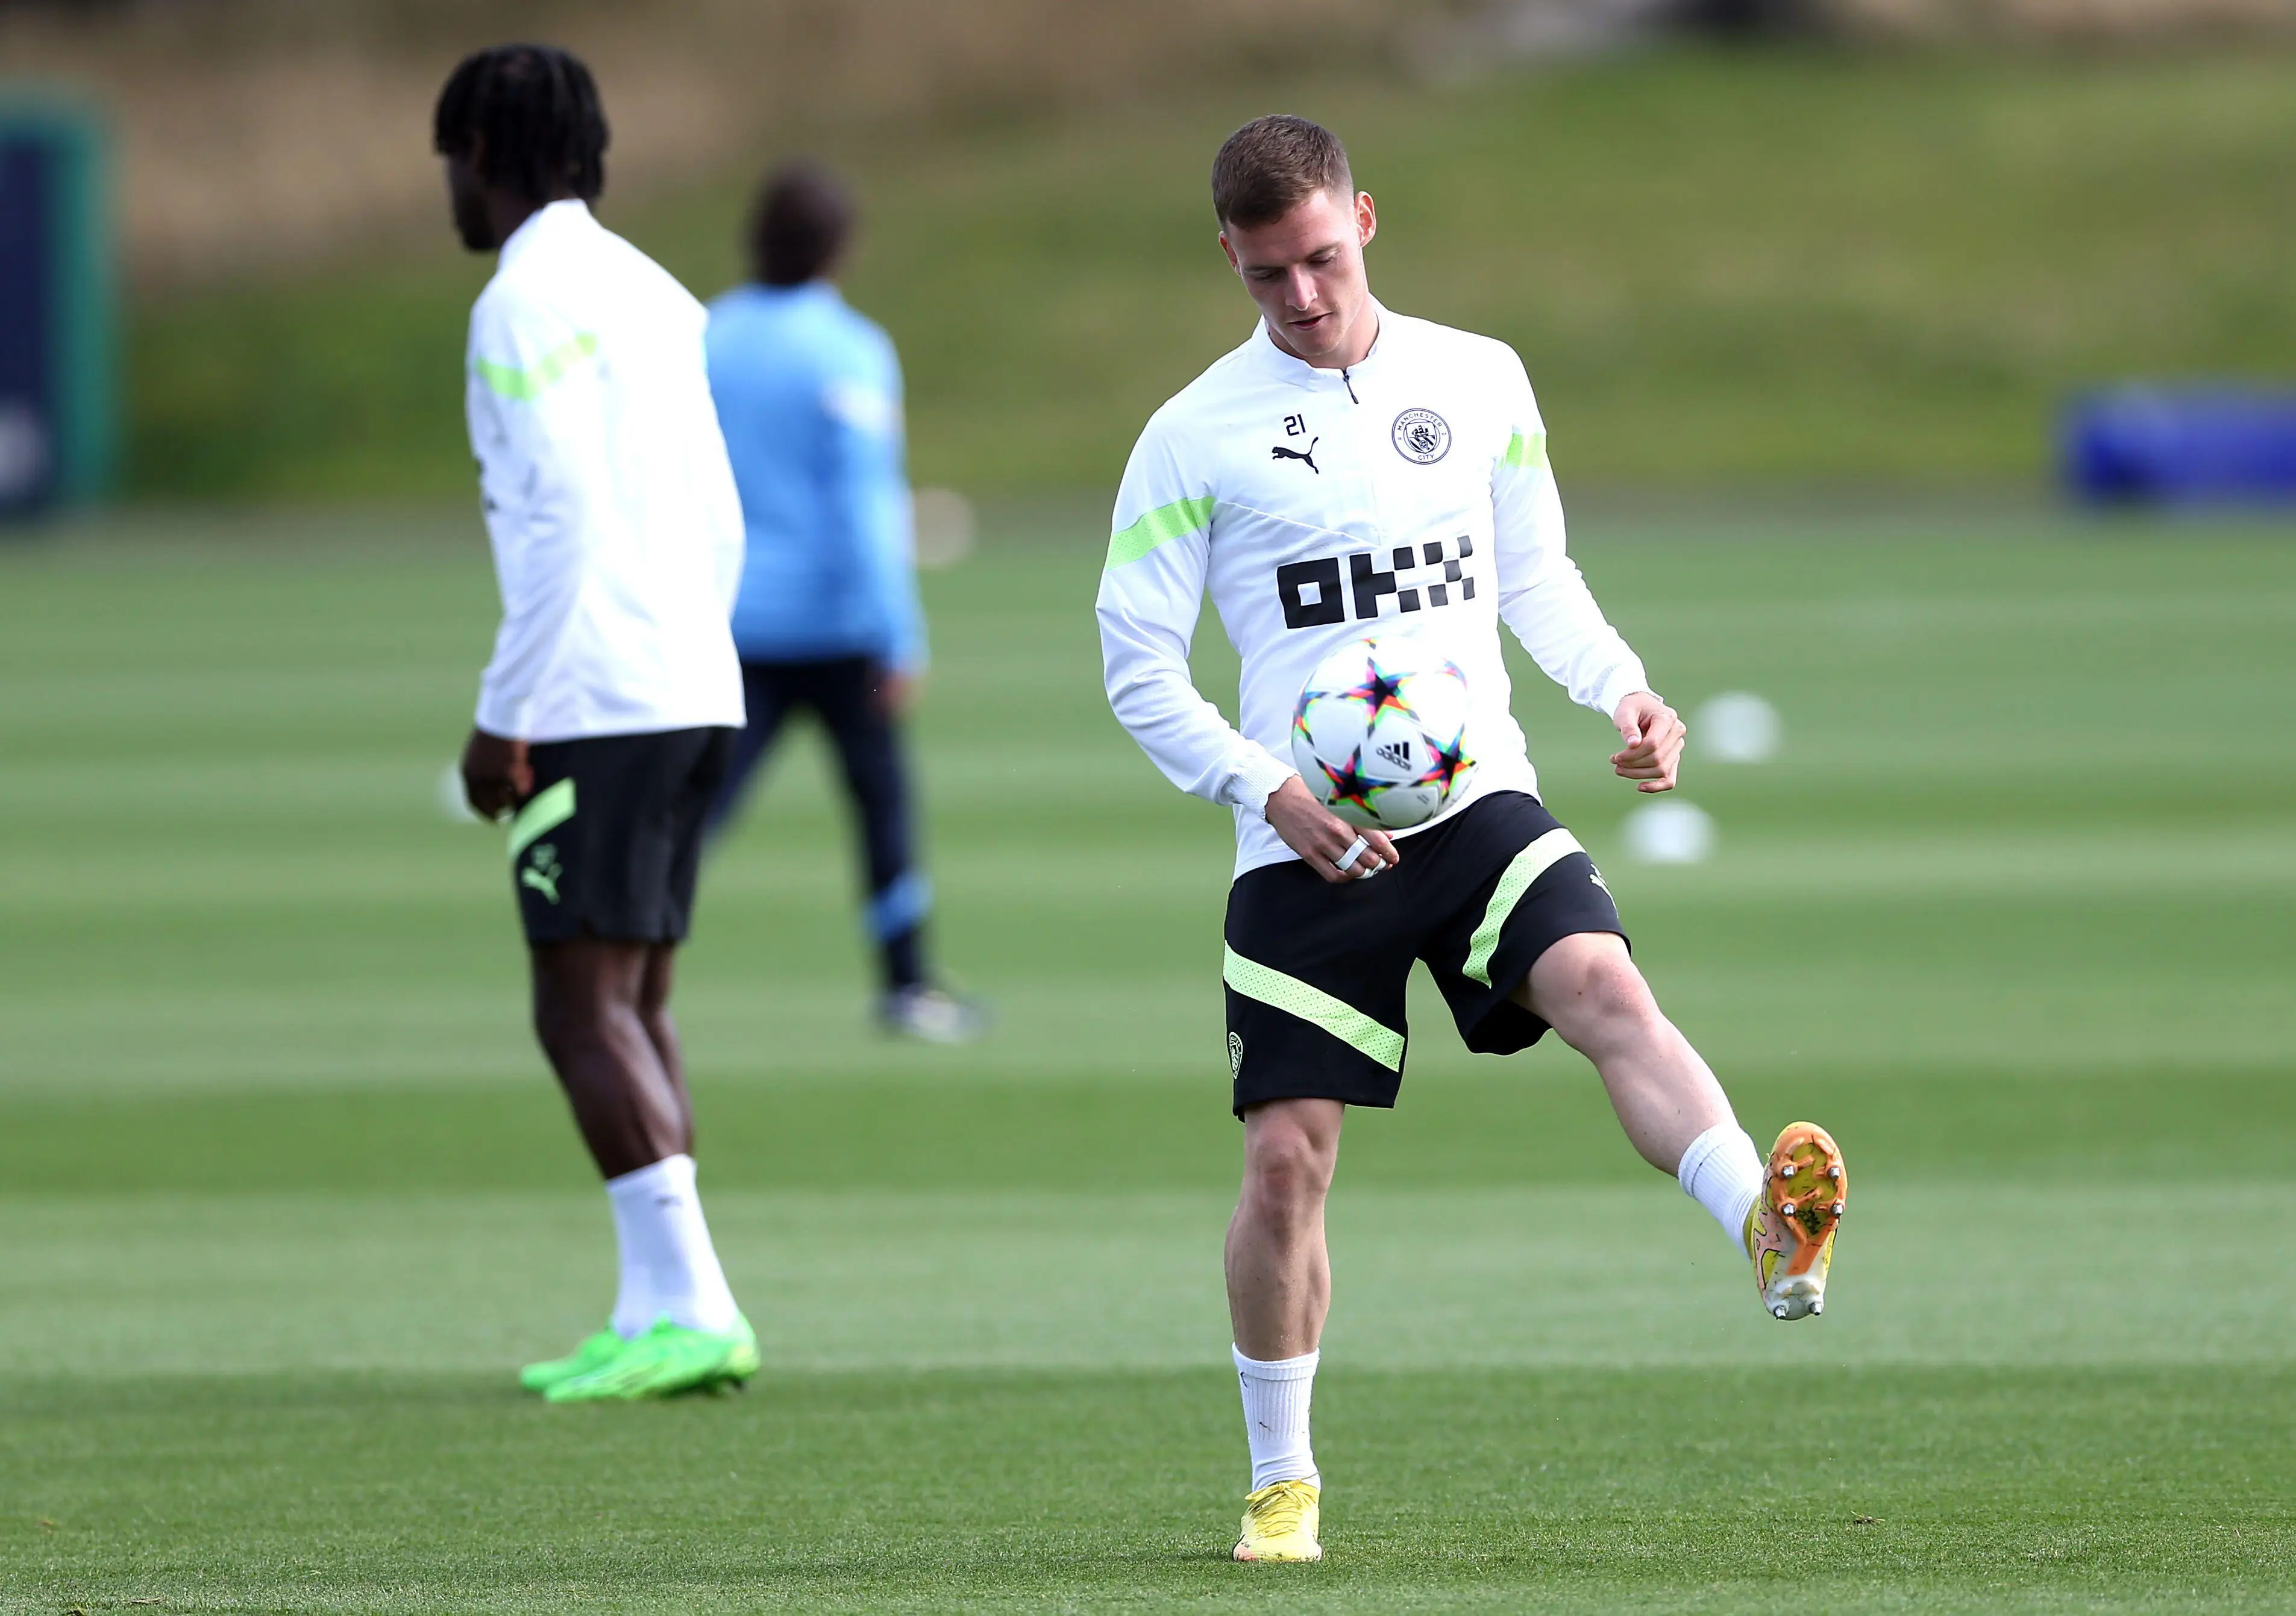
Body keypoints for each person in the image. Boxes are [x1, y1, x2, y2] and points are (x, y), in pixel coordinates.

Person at [1096, 114, 1847, 1564]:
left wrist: (1624, 688)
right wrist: (1267, 791)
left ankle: (1764, 1222)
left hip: (1475, 800)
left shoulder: (1479, 376)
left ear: (1365, 220)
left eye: (1322, 258)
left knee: (1608, 988)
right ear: (1230, 258)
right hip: (1305, 843)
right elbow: (1137, 664)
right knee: (1285, 1165)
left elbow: (1536, 574)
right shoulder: (1191, 435)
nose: (1302, 296)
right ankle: (1282, 1481)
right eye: (1267, 274)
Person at [437, 43, 759, 1401]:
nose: (449, 190)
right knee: (637, 1003)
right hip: (691, 678)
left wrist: (500, 717)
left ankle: (698, 1308)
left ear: (482, 155)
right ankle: (653, 1307)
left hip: (595, 696)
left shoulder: (521, 302)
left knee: (579, 1012)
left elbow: (559, 517)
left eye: (450, 162)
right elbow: (717, 508)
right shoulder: (656, 289)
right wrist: (692, 648)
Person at [704, 162, 984, 1043]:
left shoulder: (705, 335)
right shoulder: (848, 349)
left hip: (731, 619)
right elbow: (866, 506)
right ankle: (907, 985)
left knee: (698, 806)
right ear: (839, 249)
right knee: (881, 806)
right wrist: (899, 635)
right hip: (836, 629)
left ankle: (622, 955)